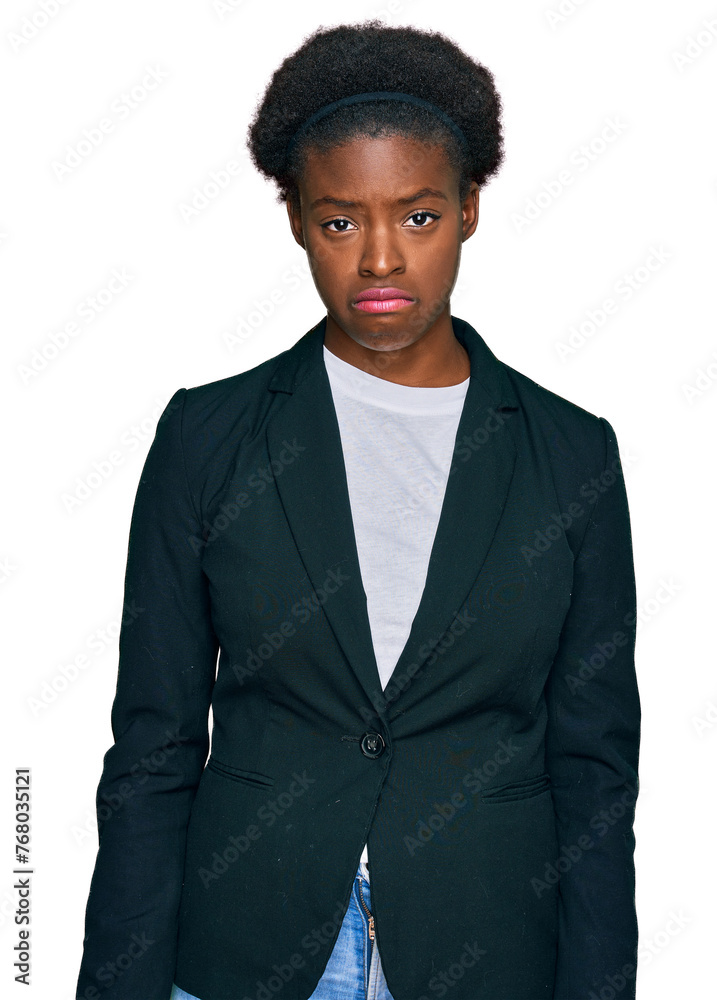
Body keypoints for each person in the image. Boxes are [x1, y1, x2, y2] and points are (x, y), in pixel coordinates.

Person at [75, 19, 641, 1000]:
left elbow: (594, 769)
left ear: (469, 209)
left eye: (417, 216)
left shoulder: (570, 454)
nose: (380, 258)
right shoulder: (207, 438)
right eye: (341, 220)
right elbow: (151, 751)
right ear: (296, 218)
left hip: (487, 948)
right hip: (248, 943)